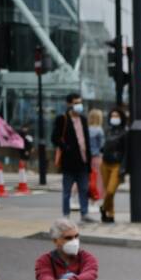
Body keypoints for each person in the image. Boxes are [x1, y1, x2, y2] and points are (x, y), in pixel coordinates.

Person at [51, 93, 96, 222]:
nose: (79, 105)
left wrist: (88, 160)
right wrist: (66, 148)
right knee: (67, 191)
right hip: (69, 162)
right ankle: (66, 214)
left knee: (84, 189)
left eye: (80, 102)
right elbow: (54, 138)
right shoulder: (62, 119)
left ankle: (84, 214)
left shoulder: (83, 119)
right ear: (69, 104)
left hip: (83, 161)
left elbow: (86, 140)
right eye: (76, 103)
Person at [98, 108, 127, 223]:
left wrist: (124, 167)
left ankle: (103, 208)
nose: (114, 118)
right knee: (108, 192)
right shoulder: (107, 131)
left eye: (117, 116)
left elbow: (126, 152)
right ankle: (110, 214)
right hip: (105, 163)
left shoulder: (125, 133)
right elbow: (103, 146)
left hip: (117, 165)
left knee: (111, 191)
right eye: (112, 116)